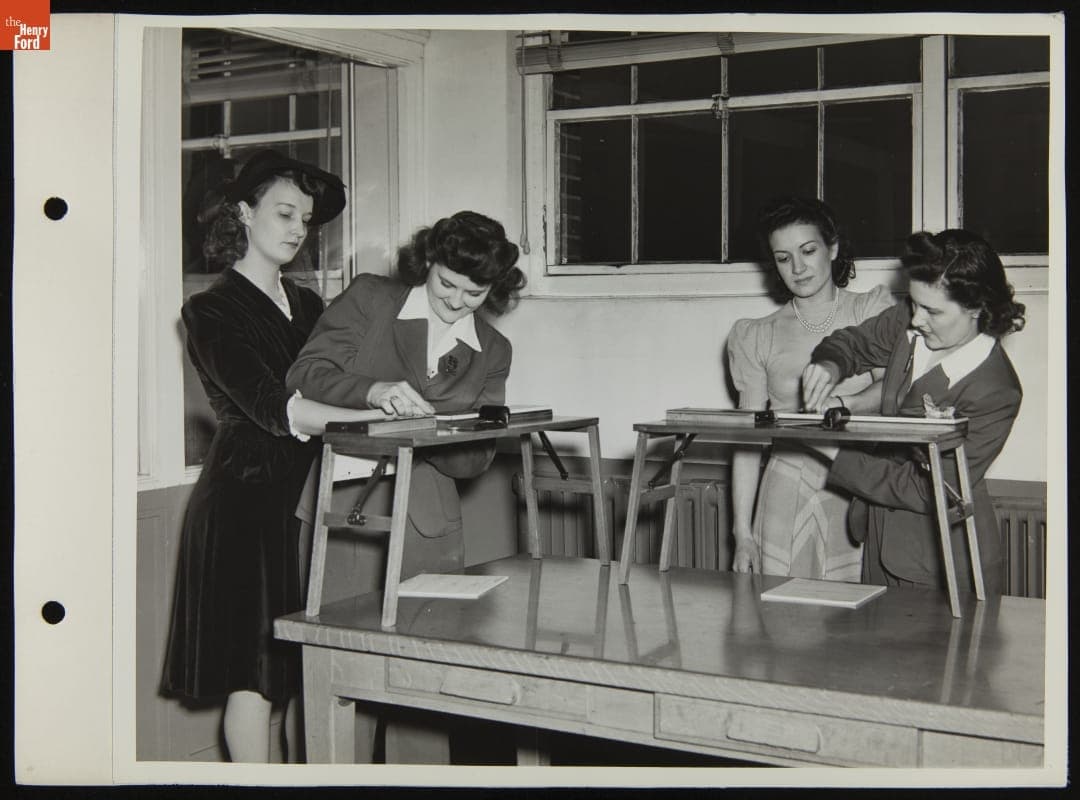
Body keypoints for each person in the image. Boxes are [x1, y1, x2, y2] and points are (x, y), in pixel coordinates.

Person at [160, 150, 386, 763]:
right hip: (241, 508)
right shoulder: (208, 311)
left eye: (306, 220)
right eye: (284, 213)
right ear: (244, 211)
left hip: (303, 505)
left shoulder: (312, 308)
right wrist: (377, 410)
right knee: (254, 678)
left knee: (294, 679)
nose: (296, 230)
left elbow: (348, 381)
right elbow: (274, 407)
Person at [285, 209, 525, 762]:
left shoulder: (493, 349)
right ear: (428, 263)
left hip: (429, 522)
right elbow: (306, 373)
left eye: (475, 292)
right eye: (447, 283)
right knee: (335, 669)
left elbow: (473, 463)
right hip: (348, 514)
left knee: (421, 686)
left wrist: (465, 433)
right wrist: (373, 391)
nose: (457, 300)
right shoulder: (372, 299)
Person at [801, 229, 1025, 594]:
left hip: (940, 558)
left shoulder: (996, 392)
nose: (916, 318)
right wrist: (830, 365)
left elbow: (927, 489)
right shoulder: (912, 322)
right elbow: (854, 342)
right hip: (880, 534)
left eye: (932, 311)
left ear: (977, 308)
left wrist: (833, 451)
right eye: (914, 303)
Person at [728, 197, 893, 580]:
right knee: (781, 625)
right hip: (785, 489)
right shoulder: (755, 335)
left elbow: (894, 392)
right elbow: (747, 440)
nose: (798, 268)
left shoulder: (870, 311)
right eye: (783, 258)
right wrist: (743, 534)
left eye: (808, 250)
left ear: (833, 248)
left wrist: (842, 402)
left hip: (857, 485)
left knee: (858, 625)